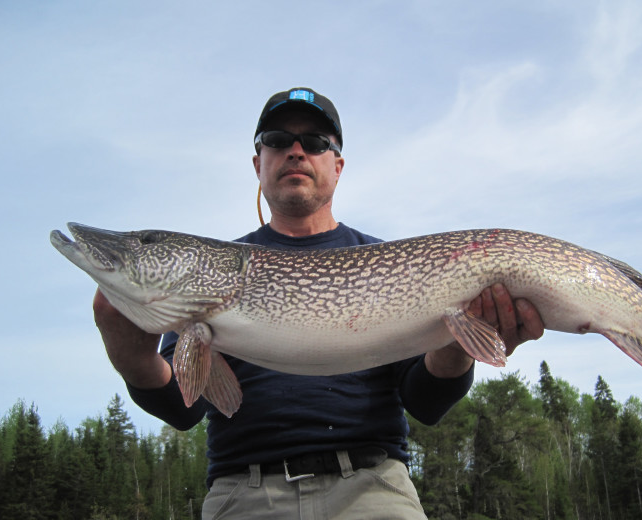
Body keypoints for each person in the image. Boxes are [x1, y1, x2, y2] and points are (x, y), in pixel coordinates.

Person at [93, 87, 545, 519]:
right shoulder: (214, 272)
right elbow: (183, 407)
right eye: (277, 140)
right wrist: (132, 360)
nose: (296, 150)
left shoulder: (389, 262)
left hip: (372, 490)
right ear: (258, 163)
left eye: (314, 141)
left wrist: (459, 346)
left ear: (338, 165)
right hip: (246, 496)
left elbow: (424, 402)